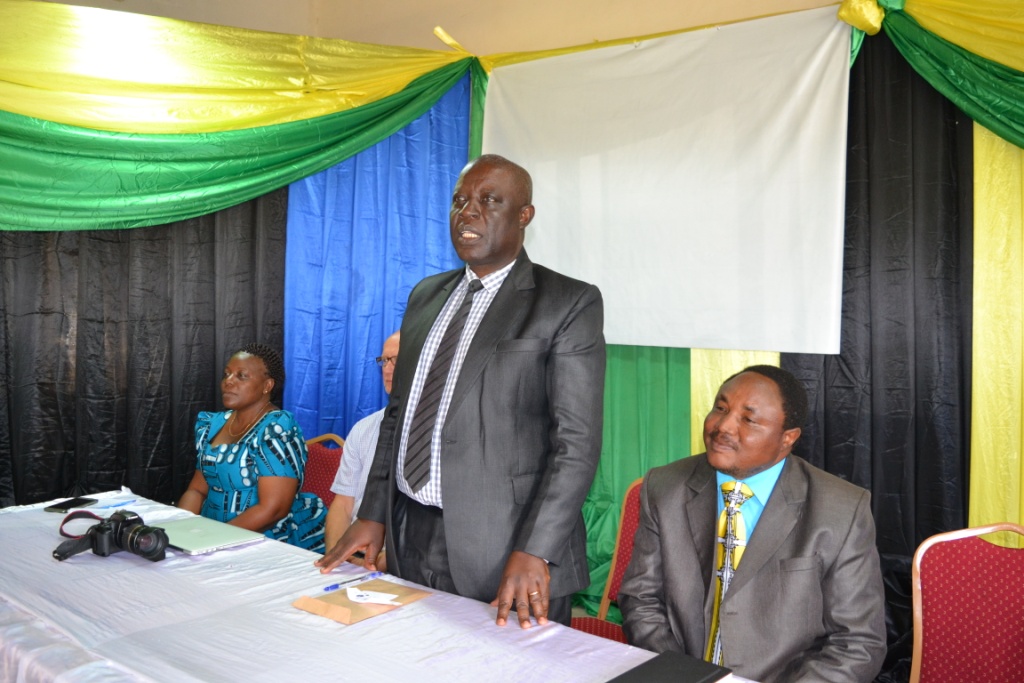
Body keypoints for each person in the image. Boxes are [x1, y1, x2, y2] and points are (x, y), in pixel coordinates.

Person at [316, 154, 606, 629]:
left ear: (524, 215)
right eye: (459, 201)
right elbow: (399, 416)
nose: (467, 213)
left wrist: (535, 549)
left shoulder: (567, 302)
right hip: (411, 533)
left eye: (488, 201)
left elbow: (575, 445)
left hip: (507, 549)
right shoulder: (426, 295)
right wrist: (373, 514)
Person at [619, 365, 886, 683]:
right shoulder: (665, 487)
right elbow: (641, 597)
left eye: (747, 419)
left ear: (787, 438)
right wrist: (682, 675)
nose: (723, 427)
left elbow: (857, 643)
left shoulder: (841, 510)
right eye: (721, 408)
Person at [178, 343, 326, 552]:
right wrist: (182, 530)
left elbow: (273, 509)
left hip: (268, 539)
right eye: (227, 374)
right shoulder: (212, 424)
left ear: (267, 385)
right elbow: (197, 489)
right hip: (209, 533)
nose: (228, 382)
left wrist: (213, 541)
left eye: (241, 376)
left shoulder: (276, 428)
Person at [323, 330, 400, 555]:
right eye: (384, 360)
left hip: (402, 561)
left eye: (396, 359)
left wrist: (379, 565)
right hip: (353, 551)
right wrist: (336, 555)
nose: (387, 368)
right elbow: (343, 504)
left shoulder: (440, 435)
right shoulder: (363, 429)